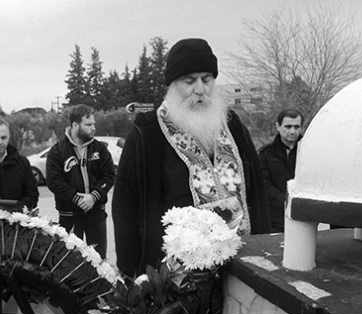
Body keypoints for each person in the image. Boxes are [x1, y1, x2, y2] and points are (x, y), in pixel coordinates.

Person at [113, 38, 271, 277]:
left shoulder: (232, 126)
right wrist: (133, 273)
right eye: (190, 81)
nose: (200, 89)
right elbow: (126, 208)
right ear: (173, 84)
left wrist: (264, 249)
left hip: (240, 267)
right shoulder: (147, 133)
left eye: (206, 79)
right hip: (175, 276)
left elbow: (257, 192)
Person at [46, 105, 115, 259]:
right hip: (69, 216)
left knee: (98, 261)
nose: (93, 128)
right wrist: (76, 198)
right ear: (75, 125)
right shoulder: (57, 151)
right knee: (70, 262)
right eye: (88, 125)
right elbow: (53, 181)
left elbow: (109, 175)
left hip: (96, 215)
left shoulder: (100, 149)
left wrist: (94, 196)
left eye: (94, 124)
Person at [259, 110, 303, 233]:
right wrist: (285, 201)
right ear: (278, 127)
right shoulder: (266, 154)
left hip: (302, 216)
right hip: (275, 219)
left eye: (296, 127)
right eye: (288, 127)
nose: (293, 131)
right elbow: (264, 185)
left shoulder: (308, 153)